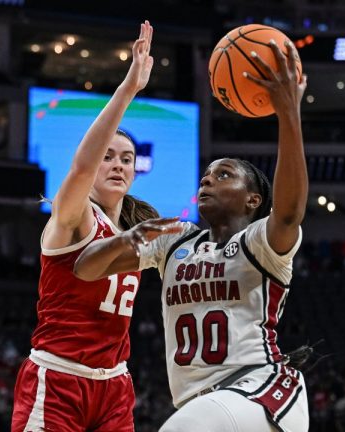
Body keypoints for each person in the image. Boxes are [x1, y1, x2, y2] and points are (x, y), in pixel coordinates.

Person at [74, 39, 309, 432]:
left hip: (258, 390)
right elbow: (84, 269)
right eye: (206, 174)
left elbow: (288, 212)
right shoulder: (175, 241)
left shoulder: (259, 244)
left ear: (253, 200)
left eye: (224, 175)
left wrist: (288, 113)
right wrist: (124, 240)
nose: (208, 179)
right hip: (203, 404)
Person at [10, 21, 159, 432]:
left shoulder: (136, 228)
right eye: (108, 157)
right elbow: (81, 165)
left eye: (126, 159)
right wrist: (128, 89)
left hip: (114, 386)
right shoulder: (74, 217)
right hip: (58, 380)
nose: (117, 165)